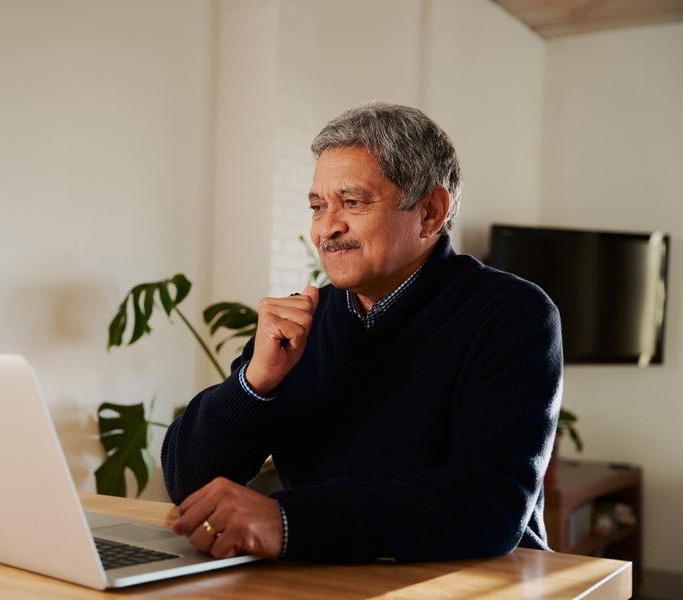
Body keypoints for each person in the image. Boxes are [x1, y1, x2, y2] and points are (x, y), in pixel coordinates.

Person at [161, 101, 563, 564]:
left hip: (475, 583)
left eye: (352, 202)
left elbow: (488, 503)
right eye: (317, 207)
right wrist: (254, 383)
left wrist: (289, 522)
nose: (327, 228)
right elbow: (187, 485)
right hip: (326, 579)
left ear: (431, 212)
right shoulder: (297, 322)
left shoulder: (512, 314)